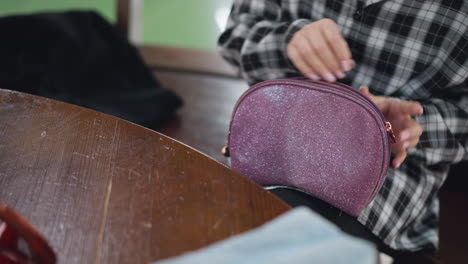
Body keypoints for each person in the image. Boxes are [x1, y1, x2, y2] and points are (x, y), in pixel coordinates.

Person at [218, 0, 468, 255]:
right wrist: (286, 43)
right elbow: (233, 37)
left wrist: (414, 129)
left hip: (385, 194)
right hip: (269, 157)